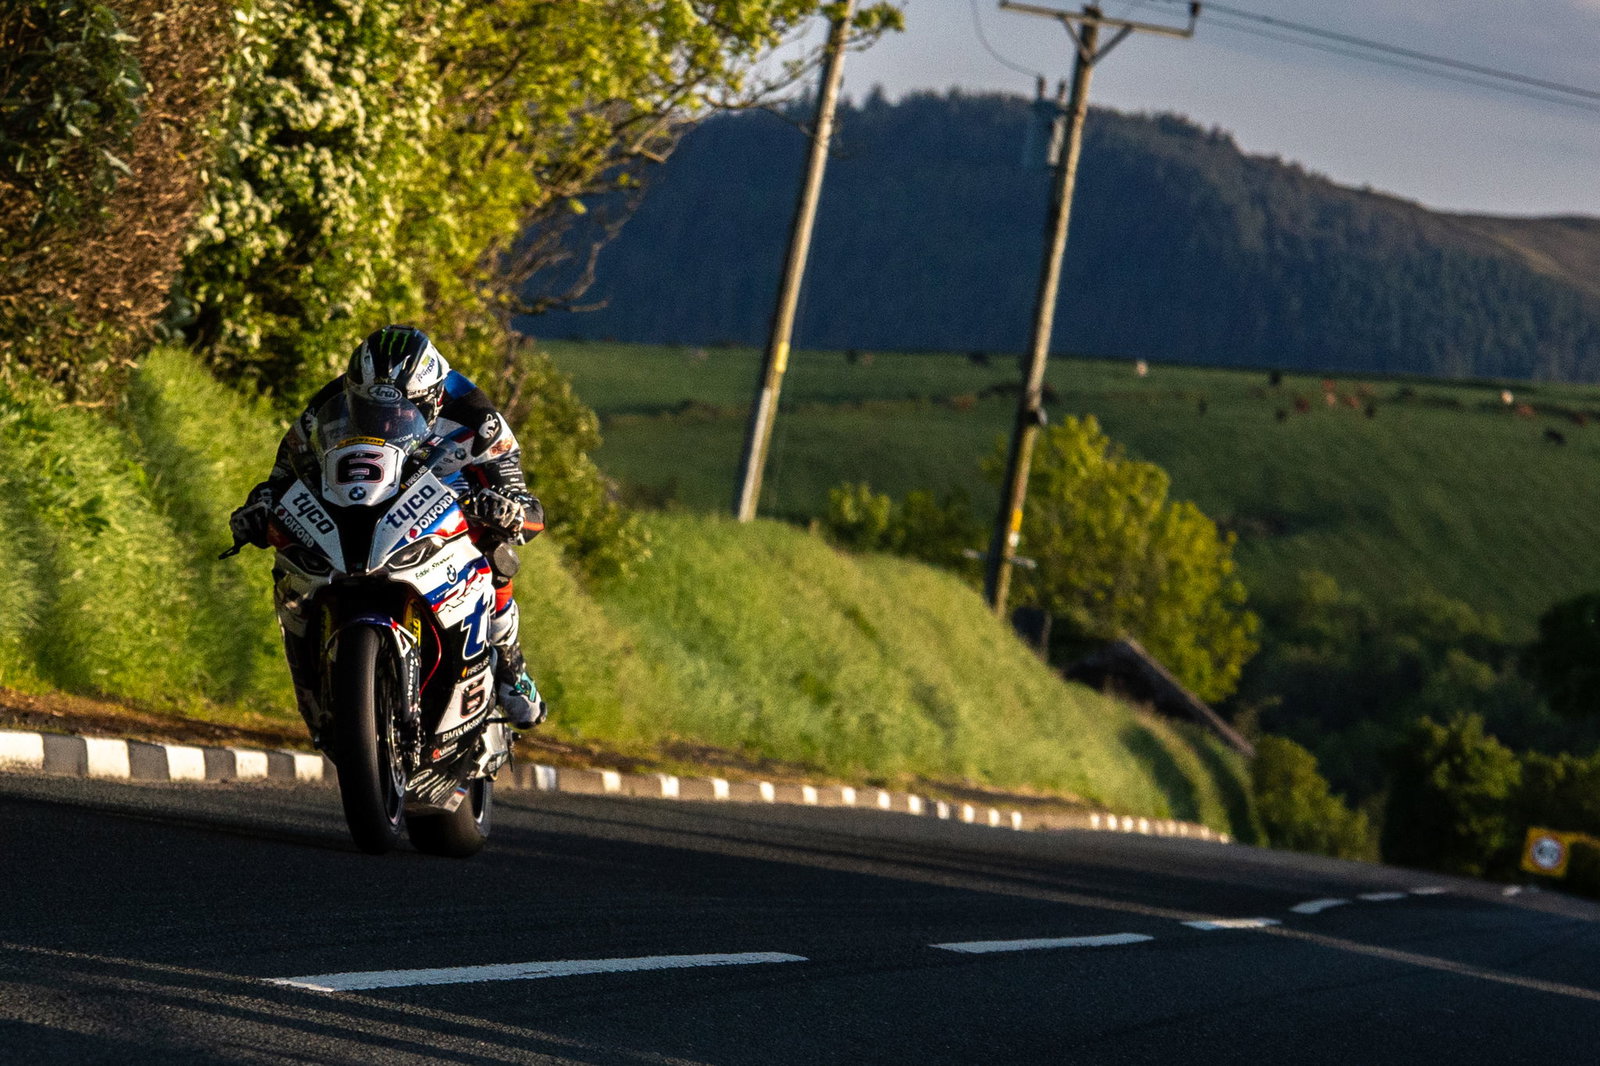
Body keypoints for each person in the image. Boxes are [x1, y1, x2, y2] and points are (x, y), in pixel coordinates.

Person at [228, 324, 547, 729]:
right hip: (361, 496)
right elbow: (282, 474)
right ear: (353, 392)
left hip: (447, 496)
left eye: (403, 411)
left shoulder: (476, 415)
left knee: (496, 550)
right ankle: (312, 677)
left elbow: (524, 501)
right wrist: (261, 505)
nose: (388, 420)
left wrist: (508, 509)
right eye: (370, 410)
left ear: (433, 398)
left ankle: (510, 665)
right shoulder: (327, 404)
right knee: (291, 559)